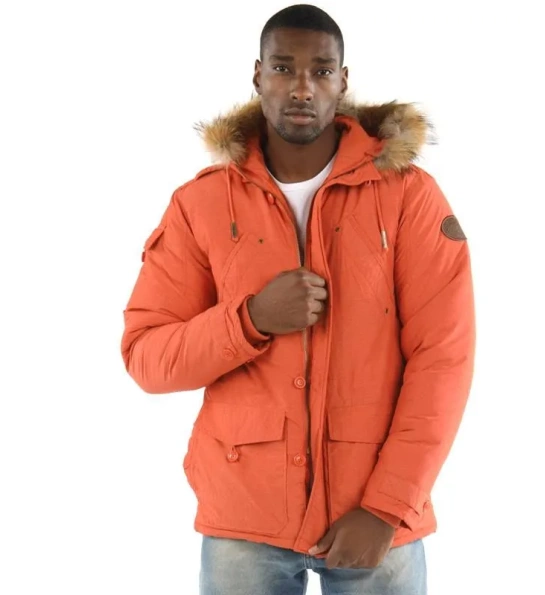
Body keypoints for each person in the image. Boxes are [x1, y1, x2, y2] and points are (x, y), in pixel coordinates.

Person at [120, 4, 476, 594]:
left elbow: (444, 357)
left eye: (321, 70)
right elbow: (147, 357)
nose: (302, 87)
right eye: (284, 68)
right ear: (258, 75)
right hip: (244, 518)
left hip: (375, 519)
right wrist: (250, 320)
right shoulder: (200, 204)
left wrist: (387, 506)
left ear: (343, 80)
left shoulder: (409, 197)